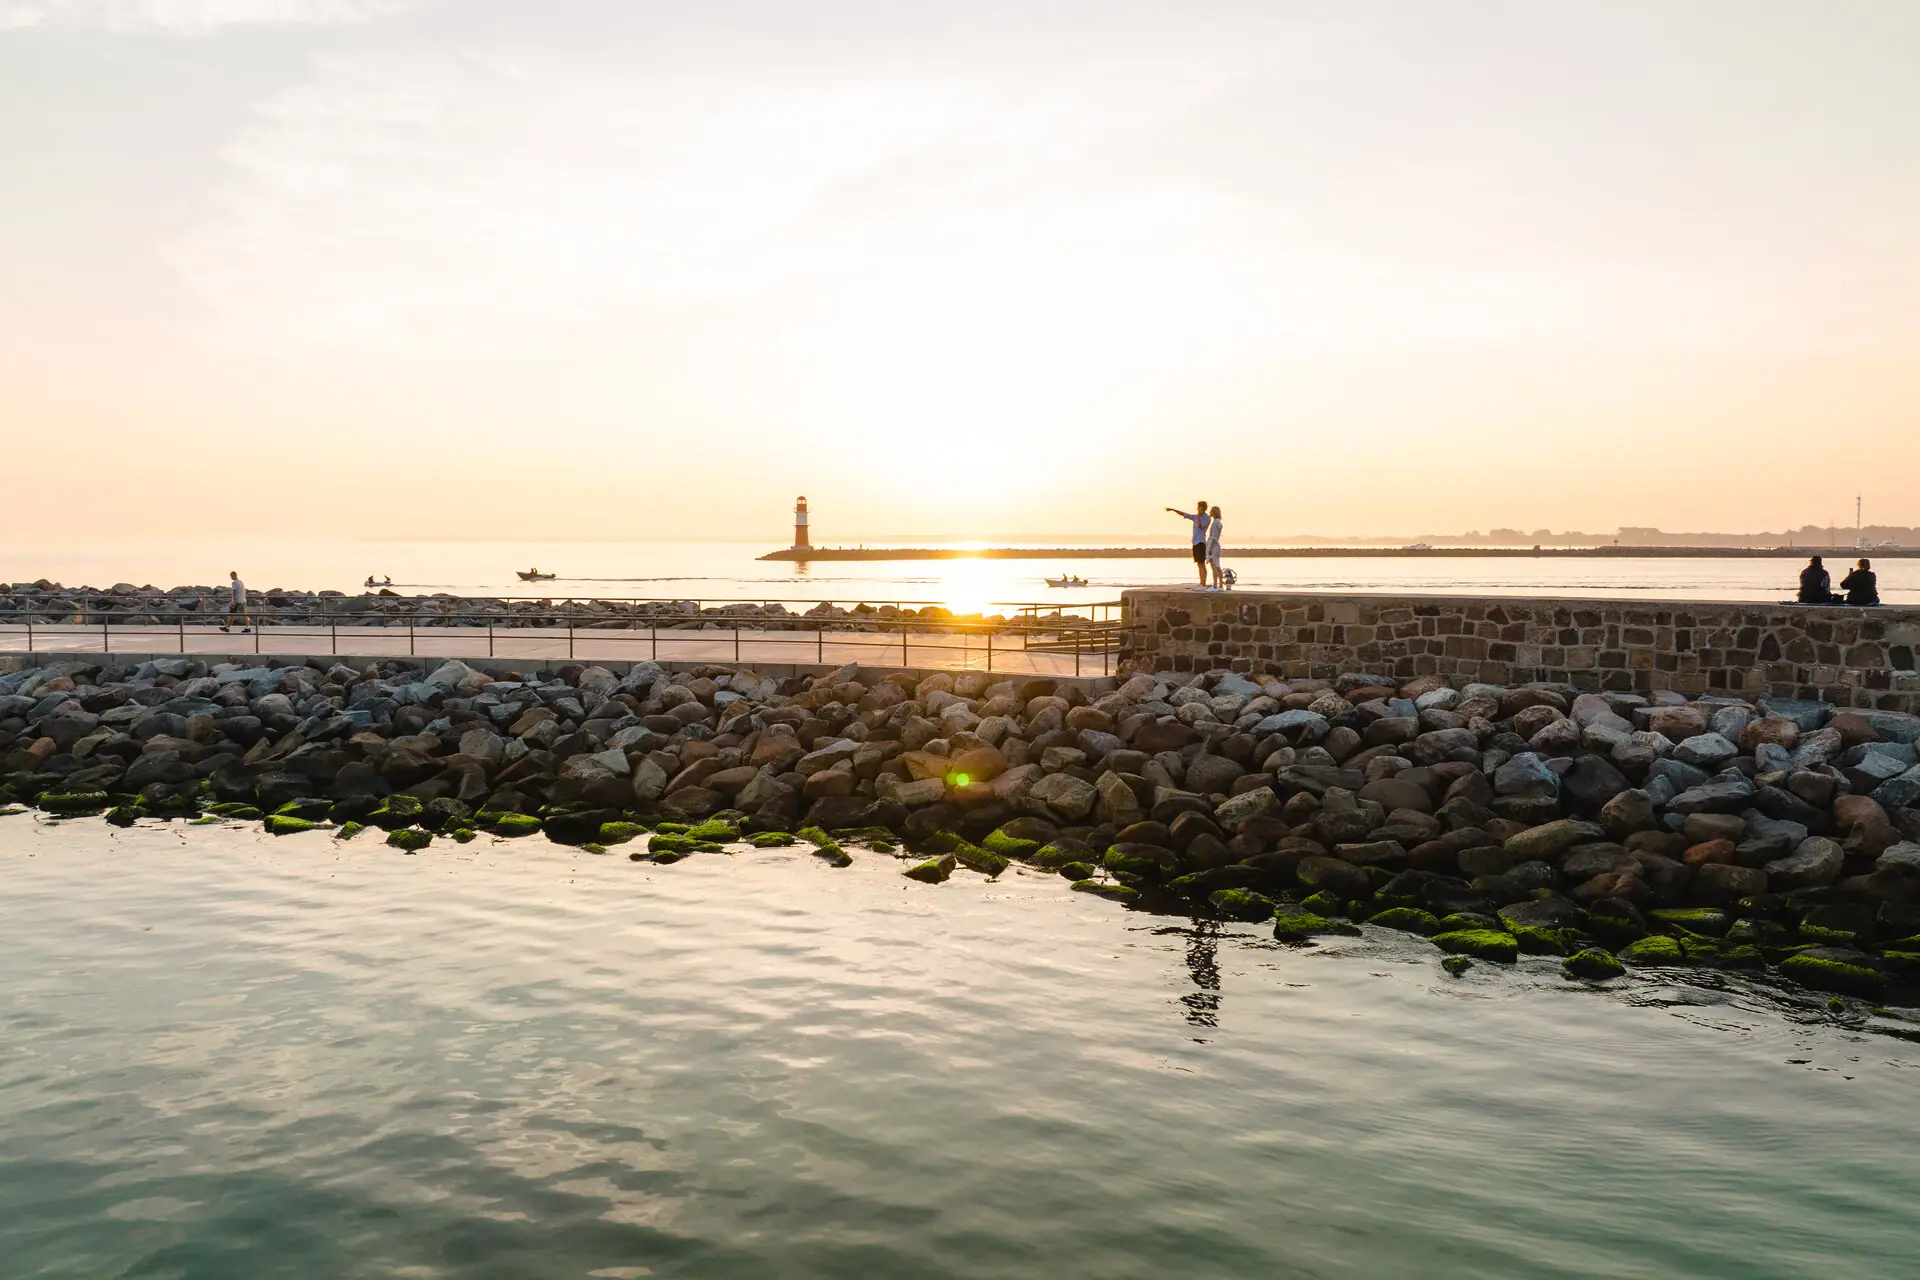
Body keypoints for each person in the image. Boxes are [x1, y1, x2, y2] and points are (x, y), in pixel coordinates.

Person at [1165, 500, 1211, 586]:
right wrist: (1173, 510)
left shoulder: (1206, 518)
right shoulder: (1195, 517)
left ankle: (1203, 583)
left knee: (1202, 563)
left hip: (1201, 542)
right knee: (1198, 563)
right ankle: (1201, 582)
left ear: (1203, 509)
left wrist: (1198, 516)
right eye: (1198, 508)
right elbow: (1184, 514)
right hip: (1195, 542)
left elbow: (1200, 526)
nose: (1198, 509)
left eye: (1200, 508)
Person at [1206, 504, 1225, 589]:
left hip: (1213, 545)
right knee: (1217, 565)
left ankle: (1215, 585)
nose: (1210, 512)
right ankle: (1220, 585)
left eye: (1211, 511)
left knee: (1214, 566)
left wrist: (1209, 548)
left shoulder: (1215, 523)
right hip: (1215, 545)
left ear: (1214, 512)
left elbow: (1213, 537)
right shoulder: (1217, 522)